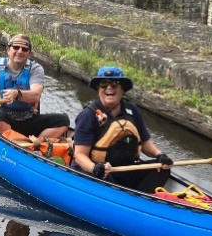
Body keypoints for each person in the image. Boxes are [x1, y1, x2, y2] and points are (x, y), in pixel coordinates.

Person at [72, 65, 173, 194]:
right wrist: (95, 168)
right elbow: (79, 155)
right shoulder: (88, 115)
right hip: (97, 171)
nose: (109, 87)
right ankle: (124, 200)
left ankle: (141, 200)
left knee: (162, 168)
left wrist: (160, 155)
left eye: (115, 84)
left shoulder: (131, 110)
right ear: (98, 89)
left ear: (122, 89)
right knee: (104, 176)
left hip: (125, 169)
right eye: (104, 84)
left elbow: (145, 142)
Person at [0, 33, 70, 139]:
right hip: (1, 117)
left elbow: (36, 95)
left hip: (27, 118)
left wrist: (16, 94)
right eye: (16, 47)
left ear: (29, 54)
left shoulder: (36, 69)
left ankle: (37, 144)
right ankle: (17, 143)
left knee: (63, 120)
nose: (20, 51)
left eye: (24, 49)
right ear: (8, 50)